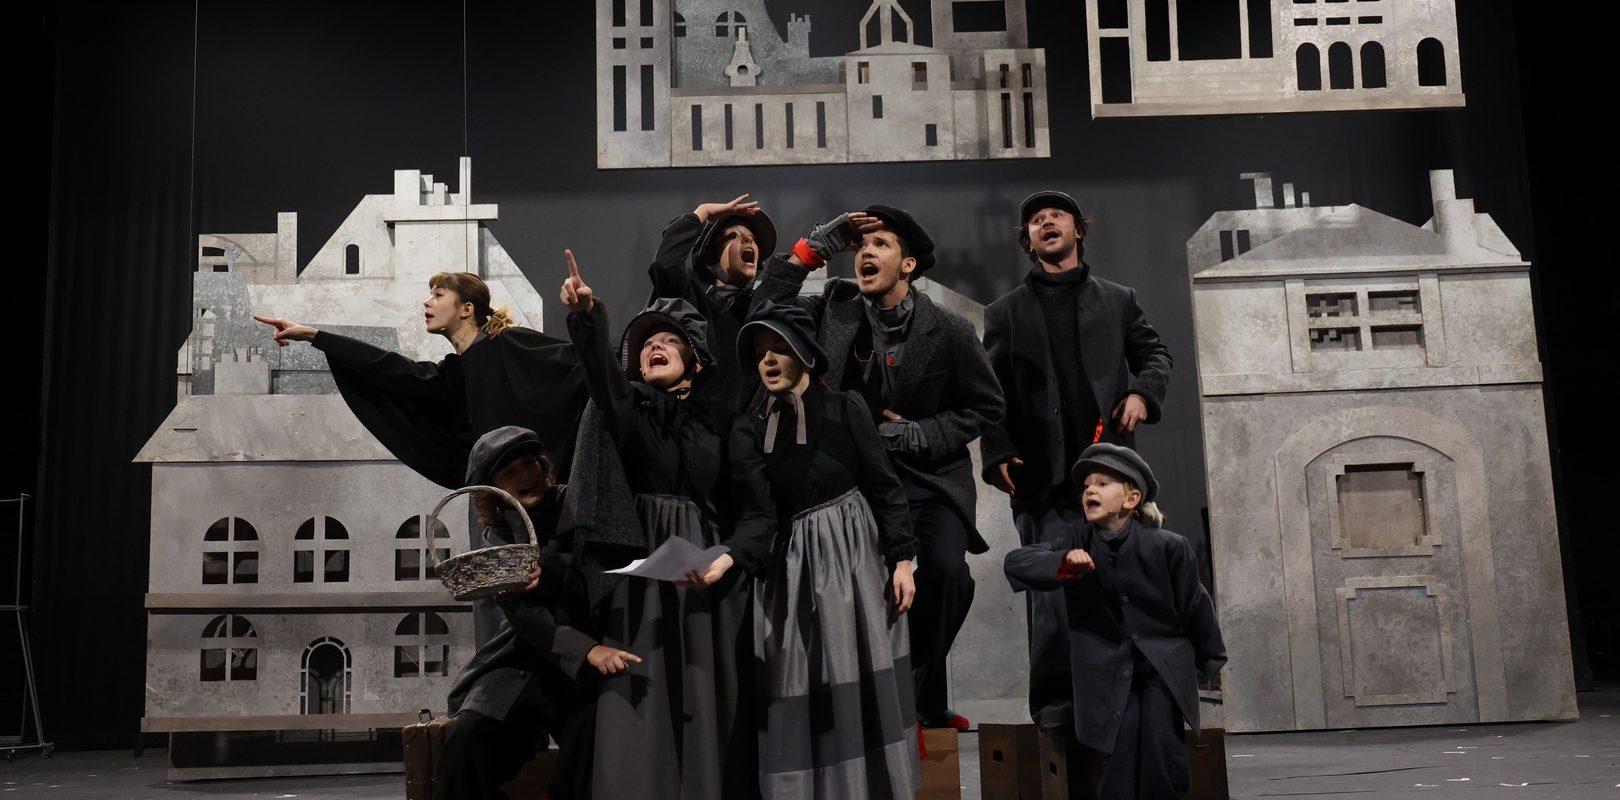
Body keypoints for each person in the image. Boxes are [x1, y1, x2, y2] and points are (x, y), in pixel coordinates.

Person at [756, 205, 1005, 729]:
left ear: (908, 265)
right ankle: (885, 701)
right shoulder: (835, 307)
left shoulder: (951, 329)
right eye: (862, 246)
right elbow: (765, 312)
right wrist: (811, 250)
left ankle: (914, 690)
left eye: (882, 244)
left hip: (930, 479)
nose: (866, 253)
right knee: (866, 587)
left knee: (946, 574)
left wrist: (920, 433)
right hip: (857, 484)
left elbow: (987, 406)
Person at [257, 271, 588, 647]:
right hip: (491, 503)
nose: (427, 302)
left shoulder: (508, 343)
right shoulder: (455, 372)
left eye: (438, 294)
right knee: (495, 601)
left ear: (466, 308)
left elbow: (577, 367)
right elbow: (389, 368)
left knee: (544, 593)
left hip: (536, 504)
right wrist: (315, 336)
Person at [687, 300, 920, 798]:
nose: (768, 360)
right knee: (796, 677)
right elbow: (758, 514)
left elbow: (884, 486)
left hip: (855, 559)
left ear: (806, 354)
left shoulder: (845, 407)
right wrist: (726, 557)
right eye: (760, 353)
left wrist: (903, 558)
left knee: (858, 674)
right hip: (793, 568)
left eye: (779, 348)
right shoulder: (749, 429)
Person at [979, 190, 1173, 731]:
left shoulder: (1118, 299)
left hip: (1108, 475)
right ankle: (1056, 717)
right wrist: (997, 450)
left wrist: (1143, 394)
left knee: (1120, 592)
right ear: (1028, 240)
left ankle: (1122, 709)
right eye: (1036, 220)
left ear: (1077, 230)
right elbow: (988, 392)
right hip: (1041, 480)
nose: (1046, 223)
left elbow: (1155, 354)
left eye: (1056, 216)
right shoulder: (1005, 313)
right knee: (1053, 604)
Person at [559, 250, 749, 799]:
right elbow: (602, 378)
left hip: (707, 568)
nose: (653, 346)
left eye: (668, 340)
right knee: (645, 685)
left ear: (695, 360)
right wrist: (587, 317)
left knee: (708, 685)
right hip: (644, 568)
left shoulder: (719, 423)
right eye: (644, 344)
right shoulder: (630, 410)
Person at [1003, 443, 1225, 799]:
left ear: (1131, 499)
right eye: (1087, 485)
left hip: (1161, 669)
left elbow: (1194, 604)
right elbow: (1017, 562)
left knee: (1162, 752)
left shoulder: (1168, 546)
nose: (1090, 490)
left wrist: (1210, 659)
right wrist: (1061, 561)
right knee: (1118, 760)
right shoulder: (1076, 540)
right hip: (1105, 672)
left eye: (1103, 484)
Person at [436, 426, 636, 799]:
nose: (525, 475)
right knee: (467, 737)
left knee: (595, 736)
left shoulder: (574, 505)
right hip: (524, 659)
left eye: (528, 463)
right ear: (494, 491)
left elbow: (594, 577)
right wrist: (586, 650)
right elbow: (526, 617)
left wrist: (589, 650)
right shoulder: (498, 537)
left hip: (576, 671)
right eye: (509, 472)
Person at [647, 193, 777, 412]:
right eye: (733, 236)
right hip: (696, 423)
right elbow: (664, 264)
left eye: (753, 238)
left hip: (746, 427)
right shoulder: (689, 297)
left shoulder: (761, 307)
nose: (749, 241)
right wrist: (704, 211)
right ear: (710, 255)